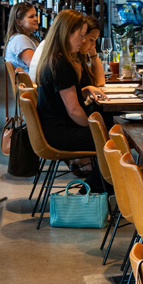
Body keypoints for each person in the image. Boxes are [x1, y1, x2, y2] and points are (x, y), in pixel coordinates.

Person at [34, 10, 107, 171]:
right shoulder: (62, 65)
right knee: (116, 135)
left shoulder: (52, 59)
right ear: (67, 33)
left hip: (51, 130)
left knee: (107, 124)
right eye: (81, 35)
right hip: (60, 134)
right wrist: (93, 127)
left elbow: (58, 99)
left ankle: (99, 181)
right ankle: (101, 183)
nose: (83, 40)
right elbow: (74, 111)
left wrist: (84, 91)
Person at [4, 2, 40, 73]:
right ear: (19, 22)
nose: (36, 19)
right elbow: (36, 66)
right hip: (31, 83)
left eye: (36, 15)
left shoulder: (21, 37)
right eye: (31, 17)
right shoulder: (20, 40)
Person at [77, 16, 106, 88]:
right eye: (91, 40)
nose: (94, 45)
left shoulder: (81, 57)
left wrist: (93, 54)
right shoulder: (70, 59)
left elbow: (100, 82)